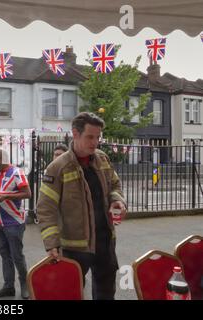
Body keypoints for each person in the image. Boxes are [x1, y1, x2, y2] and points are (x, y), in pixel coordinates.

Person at [36, 112, 127, 300]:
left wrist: (116, 199)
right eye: (90, 137)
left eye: (98, 137)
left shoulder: (102, 159)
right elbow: (46, 208)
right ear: (75, 134)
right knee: (71, 293)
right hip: (73, 247)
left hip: (105, 241)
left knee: (106, 293)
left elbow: (115, 185)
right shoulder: (57, 167)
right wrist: (51, 243)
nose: (95, 142)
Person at [0, 149, 31, 300]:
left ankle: (25, 285)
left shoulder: (16, 172)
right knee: (5, 255)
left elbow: (27, 193)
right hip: (0, 222)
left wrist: (7, 196)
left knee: (17, 255)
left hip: (14, 221)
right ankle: (9, 286)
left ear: (1, 160)